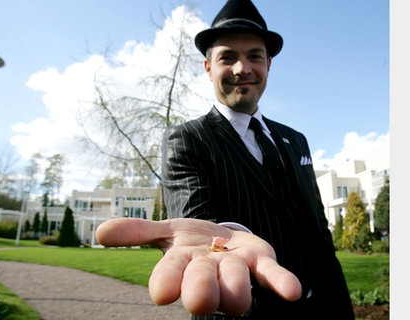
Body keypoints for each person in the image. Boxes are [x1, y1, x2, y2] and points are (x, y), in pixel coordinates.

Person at [96, 0, 355, 319]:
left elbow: (318, 231)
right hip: (240, 310)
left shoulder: (296, 139)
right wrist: (224, 239)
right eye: (227, 57)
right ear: (208, 68)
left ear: (269, 64)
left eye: (254, 56)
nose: (241, 68)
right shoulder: (188, 138)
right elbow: (198, 220)